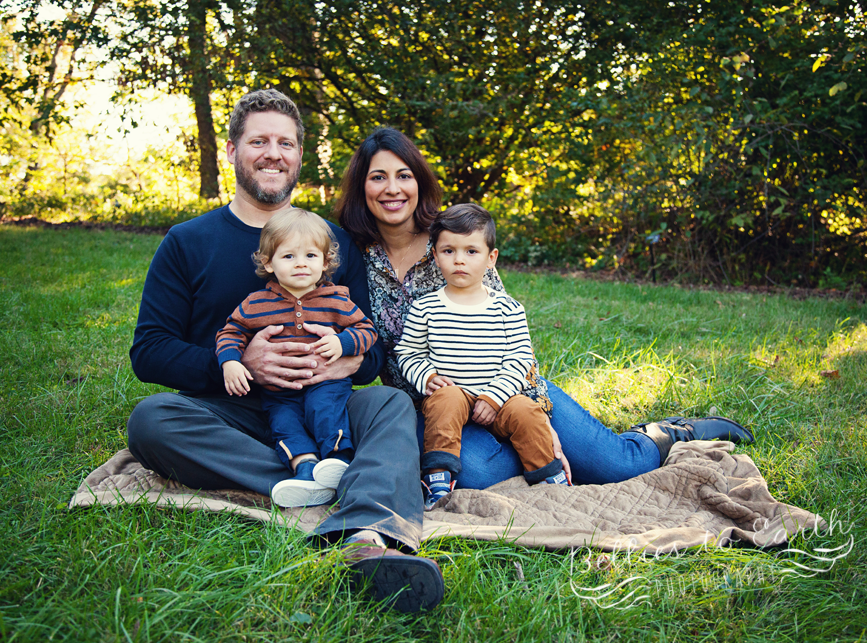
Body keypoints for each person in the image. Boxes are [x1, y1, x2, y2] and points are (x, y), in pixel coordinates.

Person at [126, 90, 443, 613]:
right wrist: (234, 362)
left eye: (286, 143)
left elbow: (370, 352)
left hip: (327, 403)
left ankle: (367, 535)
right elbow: (150, 351)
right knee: (151, 421)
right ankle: (316, 480)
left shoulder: (332, 242)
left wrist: (344, 358)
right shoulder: (187, 241)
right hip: (234, 411)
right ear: (232, 150)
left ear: (299, 155)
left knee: (391, 404)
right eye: (259, 141)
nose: (273, 153)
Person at [335, 126, 755, 489]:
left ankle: (668, 434)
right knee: (477, 475)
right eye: (378, 177)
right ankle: (532, 461)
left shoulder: (453, 240)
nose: (392, 188)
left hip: (508, 389)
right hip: (434, 410)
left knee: (618, 466)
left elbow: (510, 338)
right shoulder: (352, 258)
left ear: (419, 182)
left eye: (403, 175)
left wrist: (539, 423)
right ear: (362, 187)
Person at [394, 204, 568, 509]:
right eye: (448, 251)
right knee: (444, 400)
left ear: (491, 259)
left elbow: (519, 359)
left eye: (471, 251)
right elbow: (407, 352)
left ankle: (549, 480)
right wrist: (428, 377)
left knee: (528, 412)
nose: (459, 260)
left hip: (499, 399)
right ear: (434, 256)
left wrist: (494, 397)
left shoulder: (508, 308)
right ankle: (437, 478)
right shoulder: (426, 307)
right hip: (453, 395)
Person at [215, 208, 378, 508]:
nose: (301, 264)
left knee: (324, 410)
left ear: (326, 262)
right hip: (280, 393)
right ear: (268, 261)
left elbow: (367, 330)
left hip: (325, 384)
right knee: (283, 424)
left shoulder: (337, 300)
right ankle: (304, 470)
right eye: (289, 256)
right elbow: (231, 332)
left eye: (311, 256)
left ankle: (337, 459)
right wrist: (231, 361)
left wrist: (343, 343)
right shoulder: (256, 303)